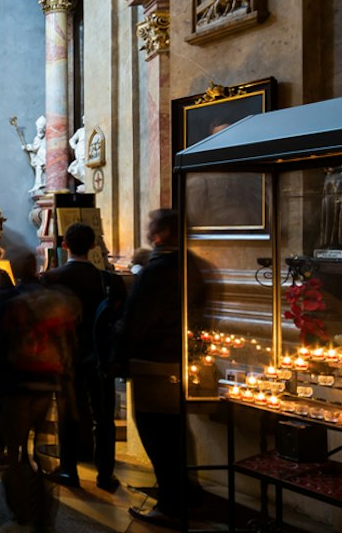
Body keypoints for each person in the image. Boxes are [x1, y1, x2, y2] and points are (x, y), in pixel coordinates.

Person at [117, 209, 202, 524]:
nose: (147, 229)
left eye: (151, 225)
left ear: (162, 232)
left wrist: (119, 352)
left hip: (153, 362)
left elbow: (138, 320)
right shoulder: (190, 264)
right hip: (179, 359)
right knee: (175, 434)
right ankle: (189, 495)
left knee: (158, 437)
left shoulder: (157, 270)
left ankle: (170, 506)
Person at [0, 250, 77, 533]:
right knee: (44, 455)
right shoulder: (55, 299)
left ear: (12, 268)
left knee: (15, 453)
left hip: (16, 387)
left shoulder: (7, 301)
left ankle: (21, 516)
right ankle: (44, 518)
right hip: (48, 386)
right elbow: (69, 342)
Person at [44, 222, 126, 491]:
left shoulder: (52, 278)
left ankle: (68, 470)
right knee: (103, 416)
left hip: (64, 355)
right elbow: (120, 320)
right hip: (100, 356)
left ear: (64, 245)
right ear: (93, 246)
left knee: (67, 412)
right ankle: (105, 474)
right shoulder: (110, 281)